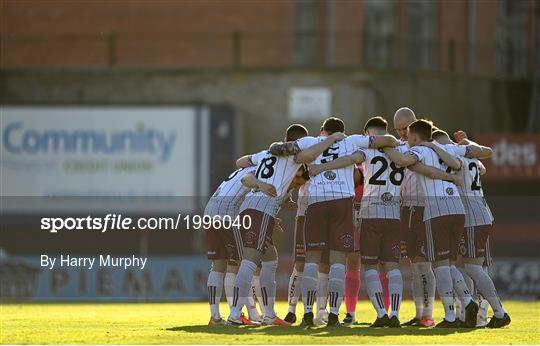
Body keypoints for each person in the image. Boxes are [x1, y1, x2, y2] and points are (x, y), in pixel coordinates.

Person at [271, 116, 400, 327]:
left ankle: (308, 314)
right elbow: (386, 140)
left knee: (311, 260)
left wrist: (305, 152)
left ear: (323, 131)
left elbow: (277, 149)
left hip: (316, 202)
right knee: (338, 261)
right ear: (342, 131)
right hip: (342, 201)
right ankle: (332, 315)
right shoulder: (352, 141)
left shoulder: (311, 141)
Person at [227, 124, 345, 326]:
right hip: (263, 209)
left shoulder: (265, 154)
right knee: (250, 260)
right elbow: (307, 158)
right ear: (299, 143)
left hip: (249, 207)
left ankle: (269, 314)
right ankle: (236, 313)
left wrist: (261, 184)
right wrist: (330, 140)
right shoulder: (293, 155)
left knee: (270, 259)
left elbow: (243, 168)